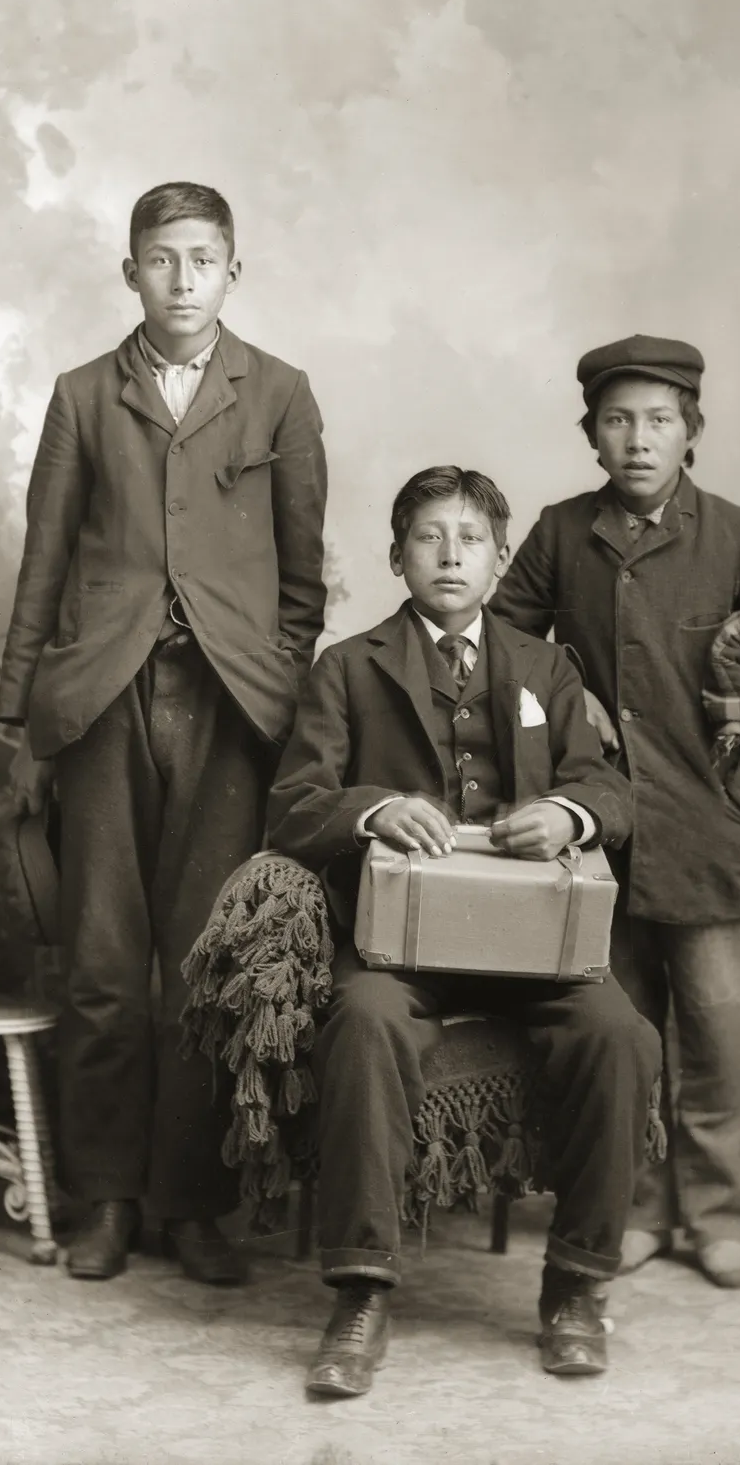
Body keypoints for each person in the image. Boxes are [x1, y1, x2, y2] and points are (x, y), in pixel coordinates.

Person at [267, 465, 661, 1399]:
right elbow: (293, 804)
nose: (450, 554)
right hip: (402, 944)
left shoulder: (547, 665)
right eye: (429, 537)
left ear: (499, 559)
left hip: (531, 946)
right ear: (395, 557)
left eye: (470, 538)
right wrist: (373, 810)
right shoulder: (349, 667)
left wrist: (569, 812)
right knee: (361, 1021)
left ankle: (576, 1282)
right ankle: (361, 1290)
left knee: (619, 1033)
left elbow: (611, 788)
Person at [0, 182, 327, 1283]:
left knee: (203, 964)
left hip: (232, 711)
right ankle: (106, 1198)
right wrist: (21, 719)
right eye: (159, 259)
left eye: (202, 259)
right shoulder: (85, 395)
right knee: (100, 963)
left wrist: (275, 683)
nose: (181, 281)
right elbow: (43, 562)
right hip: (99, 702)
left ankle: (192, 1202)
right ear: (128, 271)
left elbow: (300, 572)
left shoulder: (278, 393)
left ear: (236, 269)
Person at [490, 334, 740, 1289]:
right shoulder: (563, 533)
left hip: (718, 845)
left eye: (657, 420)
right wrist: (568, 688)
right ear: (591, 436)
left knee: (721, 1045)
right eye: (617, 420)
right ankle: (637, 1207)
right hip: (603, 841)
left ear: (692, 431)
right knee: (627, 1040)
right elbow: (502, 644)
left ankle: (722, 1215)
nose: (638, 439)